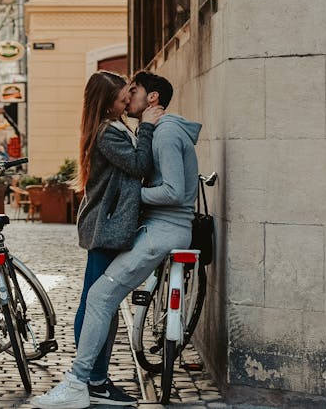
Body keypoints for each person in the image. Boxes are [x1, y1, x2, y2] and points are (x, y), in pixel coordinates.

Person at [32, 71, 200, 409]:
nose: (128, 97)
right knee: (96, 300)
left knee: (98, 299)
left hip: (146, 229)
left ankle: (87, 381)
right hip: (114, 227)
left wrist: (133, 194)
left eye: (133, 91)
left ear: (151, 98)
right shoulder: (118, 131)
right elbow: (143, 167)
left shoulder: (158, 132)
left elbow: (167, 187)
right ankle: (91, 379)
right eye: (125, 93)